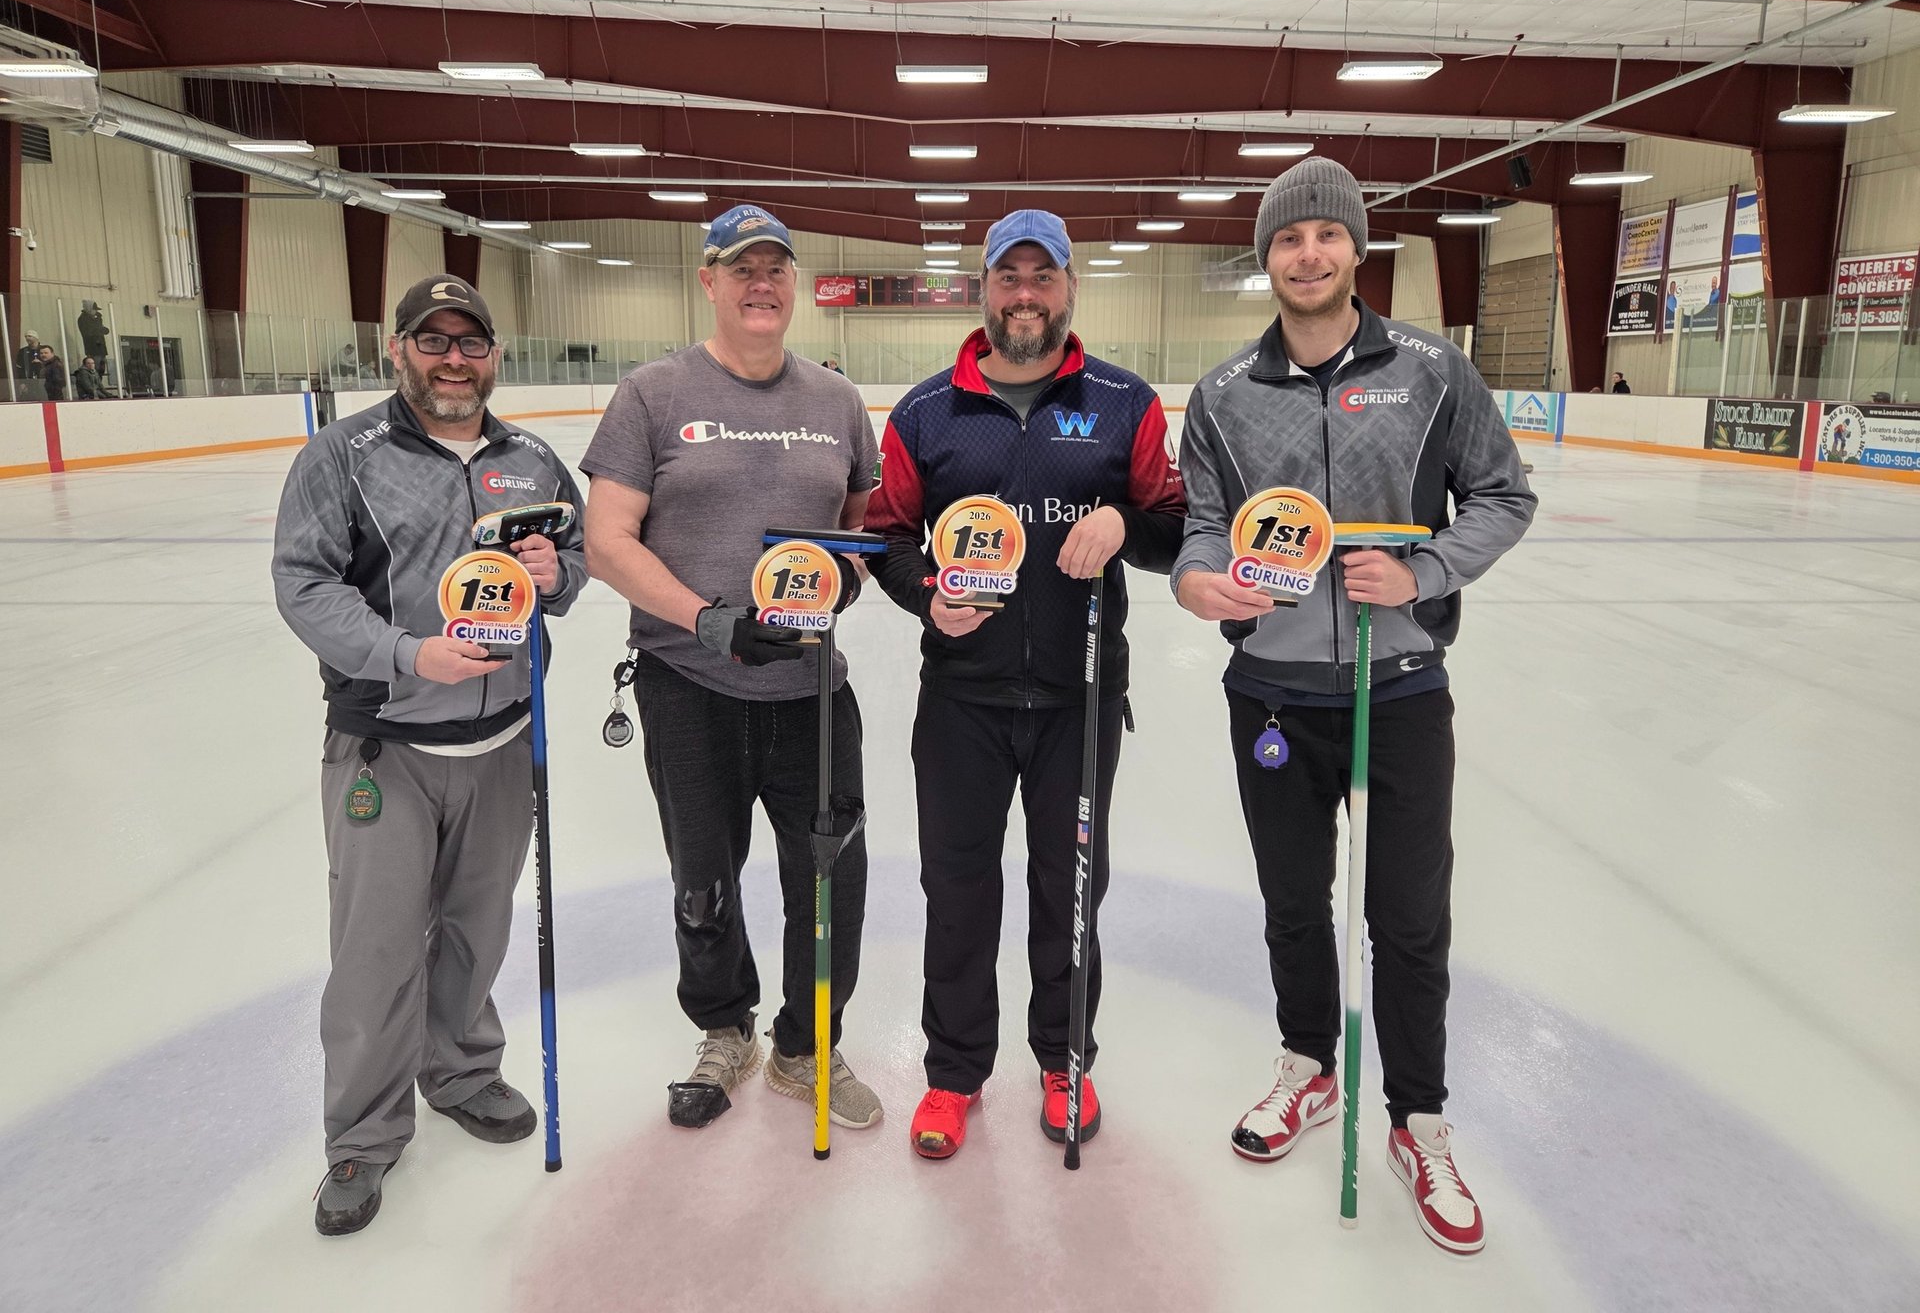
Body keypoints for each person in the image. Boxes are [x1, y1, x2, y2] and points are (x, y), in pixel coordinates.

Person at [1172, 158, 1534, 1256]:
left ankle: (1418, 1118)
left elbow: (1505, 495)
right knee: (1295, 902)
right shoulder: (1228, 394)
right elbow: (1198, 527)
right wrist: (1199, 586)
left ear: (1356, 250)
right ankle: (1309, 1068)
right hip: (1274, 693)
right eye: (1289, 240)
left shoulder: (1432, 372)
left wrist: (1423, 575)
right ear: (1267, 258)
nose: (1310, 255)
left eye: (1328, 235)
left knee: (1409, 918)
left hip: (1401, 688)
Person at [865, 209, 1186, 1160]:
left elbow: (1172, 527)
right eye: (1010, 277)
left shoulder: (1124, 402)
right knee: (957, 890)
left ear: (1070, 290)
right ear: (984, 289)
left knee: (1069, 890)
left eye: (1044, 278)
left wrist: (1126, 524)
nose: (1026, 296)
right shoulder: (927, 413)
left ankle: (1064, 1059)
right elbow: (886, 533)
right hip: (962, 700)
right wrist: (928, 596)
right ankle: (954, 1076)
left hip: (1079, 701)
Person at [272, 273, 587, 1236]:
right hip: (388, 746)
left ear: (495, 354)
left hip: (501, 743)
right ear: (399, 349)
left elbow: (571, 569)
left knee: (477, 928)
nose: (455, 359)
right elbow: (305, 584)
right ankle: (362, 1138)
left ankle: (459, 1069)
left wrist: (556, 571)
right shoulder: (342, 455)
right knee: (374, 953)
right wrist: (410, 654)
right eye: (433, 340)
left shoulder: (532, 459)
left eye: (472, 342)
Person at [580, 205, 885, 1134]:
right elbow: (605, 541)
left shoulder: (834, 402)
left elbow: (862, 521)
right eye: (740, 268)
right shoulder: (653, 393)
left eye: (776, 269)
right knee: (701, 879)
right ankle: (726, 1029)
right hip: (690, 685)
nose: (761, 283)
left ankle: (806, 1044)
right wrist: (710, 621)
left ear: (794, 286)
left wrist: (848, 578)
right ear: (707, 282)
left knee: (832, 881)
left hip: (811, 692)